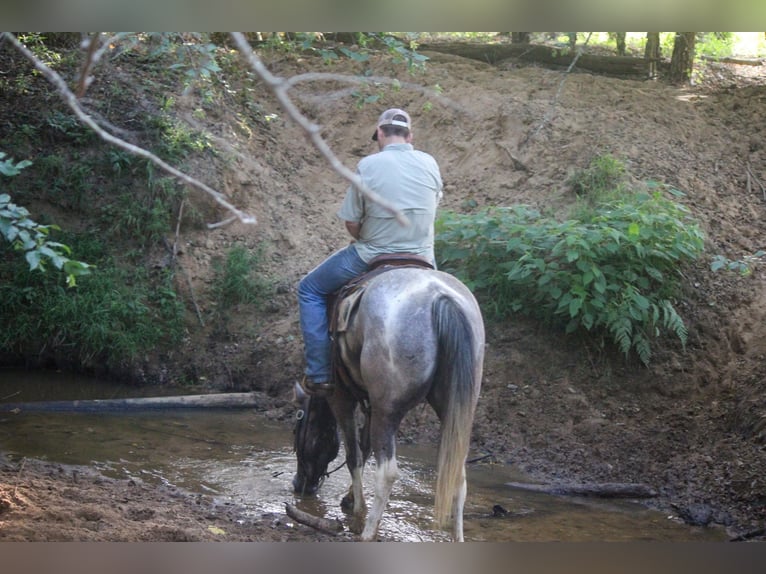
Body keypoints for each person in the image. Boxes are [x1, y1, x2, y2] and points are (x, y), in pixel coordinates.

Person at [297, 108, 444, 395]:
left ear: (379, 133)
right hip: (424, 257)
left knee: (310, 289)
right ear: (410, 136)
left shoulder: (368, 165)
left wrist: (370, 234)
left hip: (373, 253)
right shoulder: (430, 163)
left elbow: (351, 223)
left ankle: (319, 373)